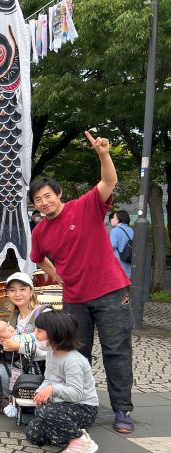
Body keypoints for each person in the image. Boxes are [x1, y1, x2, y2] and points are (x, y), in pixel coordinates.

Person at [29, 131, 134, 433]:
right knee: (76, 352)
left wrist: (103, 154)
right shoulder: (40, 231)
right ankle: (81, 404)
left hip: (111, 290)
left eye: (48, 196)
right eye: (38, 200)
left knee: (117, 350)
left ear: (58, 194)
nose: (44, 202)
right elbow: (38, 259)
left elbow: (109, 182)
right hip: (74, 297)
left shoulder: (84, 206)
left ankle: (122, 410)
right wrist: (58, 275)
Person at [25, 310, 100, 453]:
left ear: (54, 334)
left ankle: (81, 439)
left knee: (45, 411)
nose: (35, 334)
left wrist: (53, 389)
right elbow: (49, 379)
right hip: (62, 405)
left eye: (39, 331)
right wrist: (41, 392)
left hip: (84, 407)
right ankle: (65, 432)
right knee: (33, 434)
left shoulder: (73, 361)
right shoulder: (51, 354)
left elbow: (76, 394)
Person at [109, 210, 133, 279]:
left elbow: (112, 245)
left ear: (119, 219)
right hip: (129, 262)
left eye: (113, 218)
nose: (111, 220)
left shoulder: (115, 230)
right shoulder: (131, 230)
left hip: (118, 263)